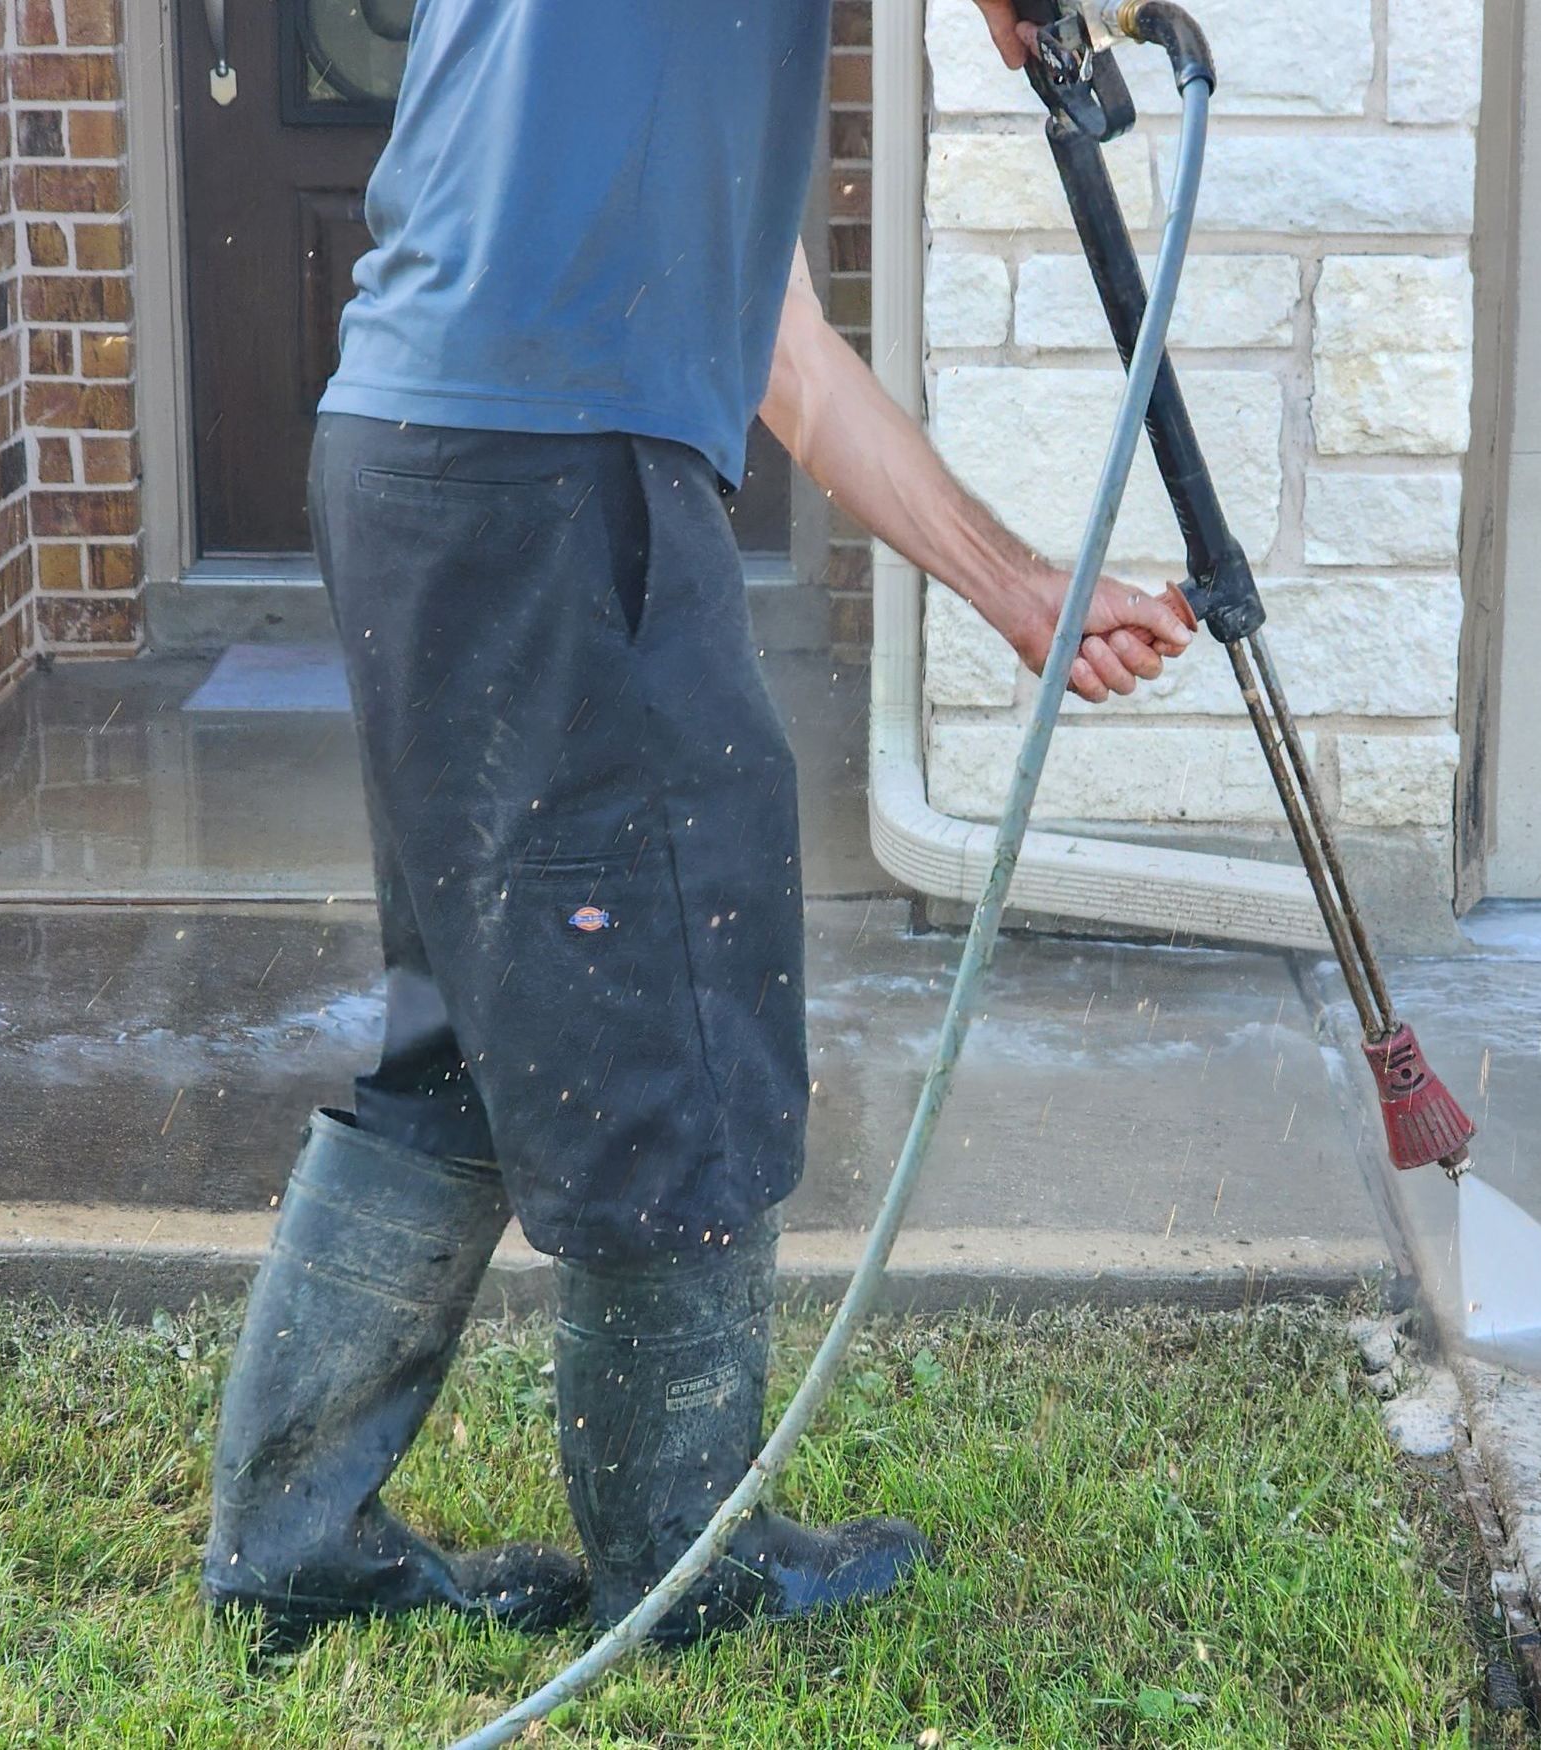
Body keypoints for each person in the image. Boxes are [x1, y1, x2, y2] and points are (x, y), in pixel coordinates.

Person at [201, 0, 1191, 1647]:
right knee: (688, 979)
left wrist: (1018, 587)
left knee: (463, 1033)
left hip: (418, 450)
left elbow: (782, 355)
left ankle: (292, 1533)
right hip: (544, 469)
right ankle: (682, 1556)